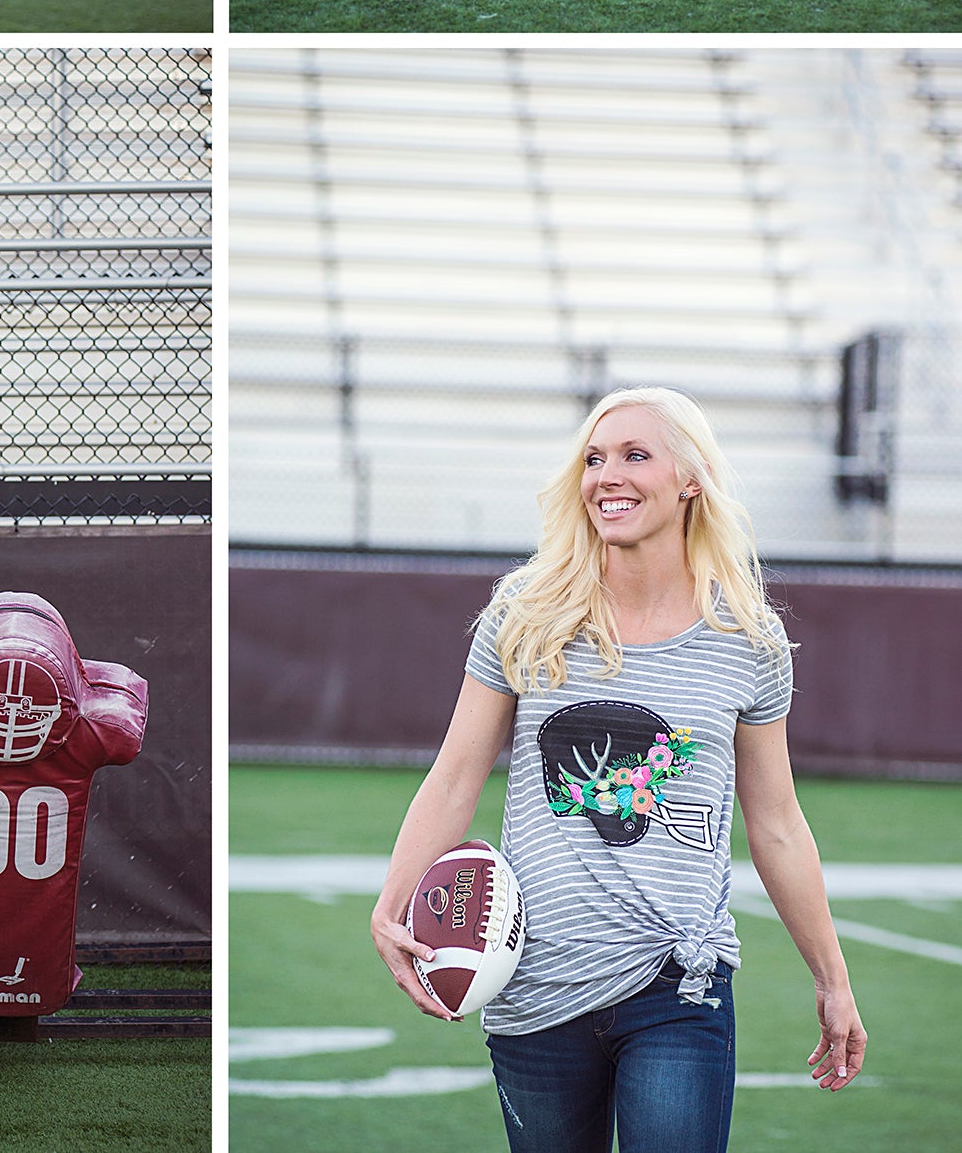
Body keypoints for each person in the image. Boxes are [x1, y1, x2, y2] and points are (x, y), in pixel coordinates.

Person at [370, 386, 866, 1153]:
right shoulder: (527, 612)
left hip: (679, 983)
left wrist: (833, 979)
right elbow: (455, 773)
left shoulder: (750, 639)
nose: (608, 476)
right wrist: (393, 903)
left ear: (691, 480)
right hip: (534, 981)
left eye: (637, 456)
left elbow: (776, 822)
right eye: (595, 459)